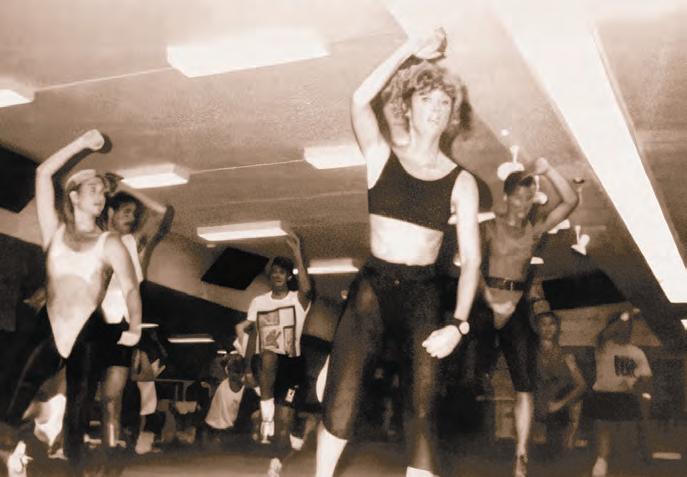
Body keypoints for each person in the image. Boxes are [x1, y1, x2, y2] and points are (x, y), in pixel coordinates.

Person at [316, 28, 481, 477]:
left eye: (444, 103)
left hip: (422, 294)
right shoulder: (380, 156)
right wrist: (409, 48)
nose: (436, 109)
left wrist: (458, 324)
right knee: (342, 403)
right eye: (427, 100)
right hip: (372, 288)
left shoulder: (462, 182)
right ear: (407, 106)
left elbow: (472, 261)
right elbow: (358, 99)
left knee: (422, 412)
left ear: (452, 115)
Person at [2, 130, 143, 475]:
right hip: (48, 324)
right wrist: (81, 144)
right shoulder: (54, 232)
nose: (100, 197)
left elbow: (130, 288)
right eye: (93, 190)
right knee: (14, 393)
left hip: (88, 331)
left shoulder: (110, 242)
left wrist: (136, 327)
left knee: (79, 410)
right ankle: (15, 445)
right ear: (74, 196)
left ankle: (74, 465)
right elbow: (43, 173)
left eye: (103, 192)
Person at [475, 158, 578, 476]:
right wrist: (490, 300)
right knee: (469, 372)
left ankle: (520, 455)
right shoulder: (488, 227)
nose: (523, 204)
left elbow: (570, 201)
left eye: (529, 198)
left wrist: (548, 171)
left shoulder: (534, 230)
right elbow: (472, 267)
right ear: (506, 197)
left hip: (517, 305)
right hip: (485, 302)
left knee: (525, 384)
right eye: (518, 197)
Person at [99, 178, 174, 449]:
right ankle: (59, 443)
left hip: (121, 327)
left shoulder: (135, 243)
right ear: (110, 213)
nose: (131, 218)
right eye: (126, 212)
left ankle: (109, 449)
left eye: (134, 213)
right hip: (90, 324)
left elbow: (163, 214)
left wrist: (126, 188)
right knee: (76, 392)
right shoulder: (95, 241)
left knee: (112, 397)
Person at [234, 232, 313, 449]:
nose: (277, 275)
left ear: (288, 277)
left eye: (282, 272)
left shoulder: (297, 300)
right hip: (267, 361)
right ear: (270, 276)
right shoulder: (259, 302)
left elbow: (307, 289)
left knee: (285, 421)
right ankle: (266, 420)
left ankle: (294, 429)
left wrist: (297, 253)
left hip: (292, 363)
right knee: (268, 354)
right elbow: (251, 334)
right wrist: (248, 369)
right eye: (274, 271)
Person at [586, 310, 653, 477]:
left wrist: (637, 389)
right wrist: (625, 315)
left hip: (627, 398)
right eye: (621, 325)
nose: (625, 329)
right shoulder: (603, 346)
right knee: (604, 434)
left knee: (626, 442)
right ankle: (601, 463)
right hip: (604, 395)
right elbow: (603, 335)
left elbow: (646, 380)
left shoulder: (636, 352)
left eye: (629, 326)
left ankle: (625, 466)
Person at [533, 311, 586, 458]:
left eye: (552, 324)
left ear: (557, 327)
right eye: (543, 324)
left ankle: (562, 445)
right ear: (537, 328)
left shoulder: (566, 355)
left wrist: (560, 404)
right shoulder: (531, 354)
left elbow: (582, 385)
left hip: (557, 406)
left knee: (555, 453)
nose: (548, 328)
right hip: (537, 403)